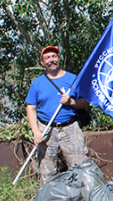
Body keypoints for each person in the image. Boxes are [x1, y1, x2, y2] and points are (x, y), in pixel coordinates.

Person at [26, 46, 90, 184]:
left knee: (79, 167)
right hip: (46, 129)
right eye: (47, 58)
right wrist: (35, 131)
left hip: (70, 128)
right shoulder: (37, 83)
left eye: (54, 56)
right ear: (42, 63)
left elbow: (86, 102)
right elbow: (31, 108)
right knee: (47, 171)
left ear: (58, 59)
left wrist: (72, 102)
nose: (51, 60)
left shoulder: (73, 79)